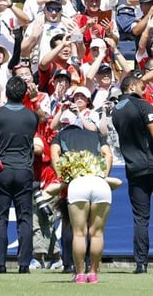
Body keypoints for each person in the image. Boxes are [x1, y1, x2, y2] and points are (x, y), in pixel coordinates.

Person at [110, 73, 153, 274]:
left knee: (140, 217)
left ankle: (141, 263)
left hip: (134, 168)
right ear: (132, 87)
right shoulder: (142, 105)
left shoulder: (116, 111)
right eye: (142, 86)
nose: (144, 90)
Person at [50, 111, 114, 284]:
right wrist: (104, 175)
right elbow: (108, 155)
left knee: (79, 233)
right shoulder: (96, 135)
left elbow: (54, 155)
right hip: (100, 183)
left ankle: (79, 274)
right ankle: (92, 274)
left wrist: (63, 177)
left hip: (77, 183)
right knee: (97, 234)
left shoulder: (60, 135)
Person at [0, 75, 39, 274]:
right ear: (24, 93)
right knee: (25, 217)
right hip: (24, 170)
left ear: (6, 93)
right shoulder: (32, 116)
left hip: (2, 170)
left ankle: (0, 264)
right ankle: (24, 264)